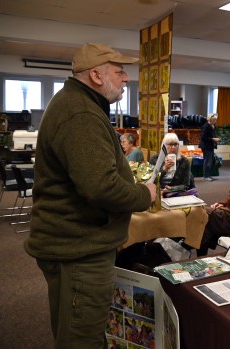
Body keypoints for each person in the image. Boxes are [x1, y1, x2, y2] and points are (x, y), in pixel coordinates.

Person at [24, 42, 157, 348]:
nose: (126, 79)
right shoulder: (81, 113)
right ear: (97, 76)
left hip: (75, 245)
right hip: (78, 251)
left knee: (82, 330)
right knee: (80, 338)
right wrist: (143, 195)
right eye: (120, 72)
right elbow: (101, 186)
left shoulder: (78, 104)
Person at [199, 114, 220, 181]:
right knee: (207, 161)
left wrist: (214, 138)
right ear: (210, 120)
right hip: (206, 146)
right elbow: (203, 138)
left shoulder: (212, 126)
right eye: (214, 120)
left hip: (210, 146)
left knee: (210, 161)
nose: (215, 121)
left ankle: (208, 175)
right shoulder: (205, 126)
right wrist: (213, 139)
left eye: (215, 120)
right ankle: (205, 176)